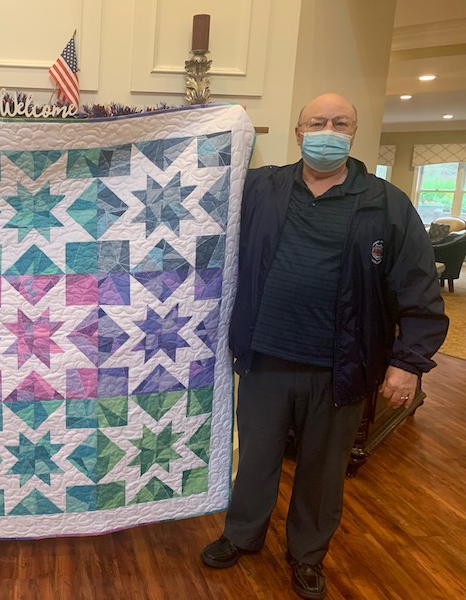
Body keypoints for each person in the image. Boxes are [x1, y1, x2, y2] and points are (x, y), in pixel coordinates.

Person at [200, 93, 448, 599]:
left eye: (340, 122)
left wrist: (408, 362)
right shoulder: (261, 189)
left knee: (322, 469)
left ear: (352, 133)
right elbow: (199, 211)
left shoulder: (386, 202)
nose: (327, 130)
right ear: (298, 131)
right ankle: (242, 534)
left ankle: (307, 554)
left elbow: (419, 287)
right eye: (317, 121)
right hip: (265, 358)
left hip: (341, 366)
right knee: (256, 459)